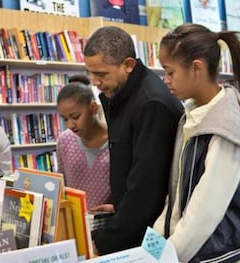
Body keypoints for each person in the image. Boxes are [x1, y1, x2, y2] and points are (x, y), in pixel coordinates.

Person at [152, 23, 240, 262]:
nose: (166, 80)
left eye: (170, 72)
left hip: (221, 257)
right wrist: (152, 247)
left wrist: (164, 258)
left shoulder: (225, 127)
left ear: (196, 68)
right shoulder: (192, 116)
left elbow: (204, 213)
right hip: (198, 253)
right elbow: (176, 196)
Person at [83, 26, 184, 255]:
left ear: (128, 65)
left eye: (101, 74)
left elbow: (146, 191)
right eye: (90, 73)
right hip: (134, 226)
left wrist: (103, 243)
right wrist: (119, 203)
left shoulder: (150, 104)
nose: (94, 81)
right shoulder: (122, 94)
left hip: (149, 235)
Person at [56, 75, 112, 211]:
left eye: (75, 117)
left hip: (110, 221)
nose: (70, 124)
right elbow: (61, 183)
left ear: (93, 108)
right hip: (75, 222)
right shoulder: (64, 141)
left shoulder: (116, 140)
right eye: (65, 119)